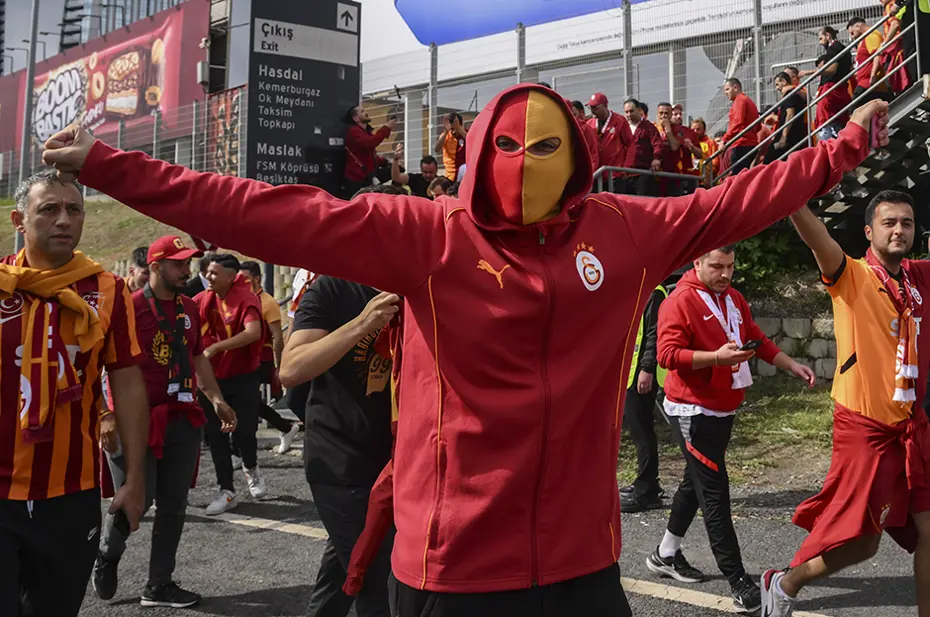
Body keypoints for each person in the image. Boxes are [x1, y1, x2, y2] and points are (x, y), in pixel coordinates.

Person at [41, 85, 888, 617]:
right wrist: (111, 167)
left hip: (581, 566)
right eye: (510, 147)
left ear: (580, 155)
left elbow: (747, 194)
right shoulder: (425, 234)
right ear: (481, 153)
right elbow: (258, 209)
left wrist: (848, 146)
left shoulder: (628, 230)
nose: (524, 165)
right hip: (452, 574)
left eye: (545, 146)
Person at [761, 191, 930, 617]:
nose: (899, 230)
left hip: (912, 426)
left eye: (906, 223)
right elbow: (820, 242)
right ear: (869, 231)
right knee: (863, 541)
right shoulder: (851, 275)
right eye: (889, 222)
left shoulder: (919, 278)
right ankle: (786, 582)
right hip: (865, 427)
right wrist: (790, 199)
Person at [0, 170, 148, 617]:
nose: (63, 219)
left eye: (73, 209)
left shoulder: (108, 291)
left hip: (70, 492)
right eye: (48, 209)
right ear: (19, 220)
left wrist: (134, 478)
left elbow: (127, 382)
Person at [647, 246, 816, 614]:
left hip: (724, 406)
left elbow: (756, 336)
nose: (725, 274)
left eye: (730, 267)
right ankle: (739, 580)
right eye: (716, 266)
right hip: (692, 408)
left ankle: (665, 553)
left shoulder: (734, 297)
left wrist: (791, 365)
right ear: (696, 263)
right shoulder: (679, 300)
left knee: (695, 483)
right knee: (715, 494)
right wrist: (716, 358)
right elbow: (667, 355)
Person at [93, 235, 237, 609]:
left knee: (174, 505)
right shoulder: (127, 307)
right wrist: (106, 414)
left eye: (187, 263)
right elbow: (101, 364)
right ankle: (107, 555)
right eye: (178, 264)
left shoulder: (189, 308)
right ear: (155, 267)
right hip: (133, 421)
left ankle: (158, 585)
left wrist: (217, 399)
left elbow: (197, 357)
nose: (186, 271)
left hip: (181, 417)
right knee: (137, 499)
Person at [280, 267, 397, 617]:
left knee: (346, 569)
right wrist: (362, 324)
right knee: (381, 585)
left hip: (396, 461)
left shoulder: (421, 285)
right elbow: (290, 368)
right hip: (341, 459)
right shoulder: (332, 287)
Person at [195, 254, 266, 514]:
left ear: (230, 276)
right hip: (213, 378)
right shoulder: (203, 298)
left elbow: (253, 332)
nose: (209, 277)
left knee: (244, 431)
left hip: (243, 375)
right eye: (207, 272)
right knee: (216, 435)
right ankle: (227, 490)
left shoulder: (245, 297)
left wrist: (215, 347)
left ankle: (252, 469)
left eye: (214, 273)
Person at [239, 261, 302, 454]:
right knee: (246, 401)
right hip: (245, 360)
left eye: (246, 279)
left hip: (262, 360)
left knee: (245, 401)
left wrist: (280, 365)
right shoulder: (243, 299)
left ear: (257, 278)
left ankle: (240, 450)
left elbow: (277, 337)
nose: (242, 283)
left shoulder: (267, 302)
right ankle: (284, 427)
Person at [619, 283, 669, 514]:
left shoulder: (654, 292)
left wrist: (647, 369)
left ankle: (647, 491)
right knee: (639, 430)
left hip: (642, 374)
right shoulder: (638, 288)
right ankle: (647, 483)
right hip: (631, 373)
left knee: (642, 432)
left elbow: (654, 334)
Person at [800, 27, 854, 141]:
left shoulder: (833, 49)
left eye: (821, 38)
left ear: (828, 35)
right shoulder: (845, 49)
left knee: (826, 123)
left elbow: (831, 69)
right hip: (841, 88)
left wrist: (808, 72)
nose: (820, 42)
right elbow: (850, 69)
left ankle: (827, 150)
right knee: (838, 122)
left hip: (830, 90)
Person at [343, 105, 396, 199]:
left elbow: (369, 155)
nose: (366, 113)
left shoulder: (364, 132)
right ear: (356, 118)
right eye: (362, 111)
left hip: (365, 177)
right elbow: (370, 143)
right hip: (357, 179)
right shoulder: (354, 131)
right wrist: (386, 128)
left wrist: (385, 162)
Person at [620, 96, 665, 196]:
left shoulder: (648, 127)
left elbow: (657, 143)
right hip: (625, 174)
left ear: (639, 110)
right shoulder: (623, 127)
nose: (628, 114)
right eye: (626, 112)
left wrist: (656, 158)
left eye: (631, 111)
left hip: (643, 174)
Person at [655, 102, 701, 196]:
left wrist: (667, 128)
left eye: (666, 113)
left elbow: (675, 147)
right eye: (661, 113)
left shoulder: (683, 131)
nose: (663, 116)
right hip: (655, 175)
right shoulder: (652, 128)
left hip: (678, 176)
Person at [764, 72, 810, 164]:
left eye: (777, 84)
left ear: (784, 82)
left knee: (769, 162)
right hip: (793, 137)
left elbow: (790, 115)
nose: (777, 88)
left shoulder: (790, 94)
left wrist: (783, 138)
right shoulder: (795, 93)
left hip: (788, 138)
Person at [586, 92, 631, 181]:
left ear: (605, 106)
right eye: (590, 107)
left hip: (615, 174)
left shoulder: (619, 121)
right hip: (596, 174)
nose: (592, 110)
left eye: (595, 107)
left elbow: (631, 144)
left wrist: (626, 168)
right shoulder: (589, 124)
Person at [848, 16, 891, 104]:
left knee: (854, 108)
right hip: (867, 82)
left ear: (858, 26)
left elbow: (877, 55)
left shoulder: (871, 35)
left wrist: (873, 74)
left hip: (868, 82)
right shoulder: (866, 38)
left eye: (852, 33)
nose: (851, 37)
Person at [722, 78, 761, 175]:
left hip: (741, 144)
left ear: (735, 87)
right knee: (745, 175)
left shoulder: (739, 100)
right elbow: (758, 126)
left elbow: (738, 121)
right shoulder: (750, 102)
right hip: (751, 144)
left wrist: (725, 139)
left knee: (737, 177)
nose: (725, 93)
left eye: (727, 89)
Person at [880, 0, 911, 94]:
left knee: (896, 76)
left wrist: (884, 43)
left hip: (895, 48)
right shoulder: (889, 6)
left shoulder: (890, 6)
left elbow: (895, 24)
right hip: (895, 47)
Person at [434, 112, 467, 181]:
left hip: (464, 173)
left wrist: (460, 129)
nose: (453, 132)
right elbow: (436, 149)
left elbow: (472, 143)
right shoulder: (446, 135)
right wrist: (446, 132)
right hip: (449, 175)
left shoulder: (466, 134)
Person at [691, 118, 719, 183]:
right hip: (692, 180)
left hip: (706, 182)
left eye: (698, 129)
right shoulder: (688, 143)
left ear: (704, 130)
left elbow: (715, 164)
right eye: (693, 130)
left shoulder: (710, 142)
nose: (695, 131)